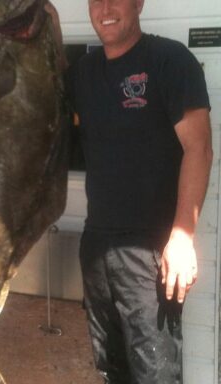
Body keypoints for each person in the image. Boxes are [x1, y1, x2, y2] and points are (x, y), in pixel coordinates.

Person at [46, 0, 212, 383]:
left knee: (155, 372)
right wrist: (47, 20)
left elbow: (199, 148)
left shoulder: (170, 60)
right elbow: (48, 83)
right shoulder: (85, 72)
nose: (104, 7)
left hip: (151, 253)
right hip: (97, 245)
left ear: (138, 3)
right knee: (111, 369)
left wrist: (183, 238)